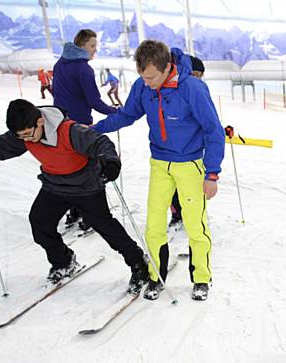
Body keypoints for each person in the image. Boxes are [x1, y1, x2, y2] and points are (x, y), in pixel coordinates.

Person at [0, 99, 149, 292]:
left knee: (106, 228)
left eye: (28, 135)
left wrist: (110, 161)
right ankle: (64, 261)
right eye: (21, 137)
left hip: (86, 187)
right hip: (54, 185)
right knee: (39, 223)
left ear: (40, 121)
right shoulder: (25, 133)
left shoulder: (69, 130)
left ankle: (138, 262)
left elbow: (101, 142)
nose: (26, 140)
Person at [93, 40, 224, 302]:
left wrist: (212, 174)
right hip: (159, 164)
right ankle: (156, 276)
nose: (147, 82)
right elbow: (127, 115)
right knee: (153, 225)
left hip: (189, 164)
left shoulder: (192, 89)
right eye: (143, 77)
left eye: (152, 77)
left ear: (167, 68)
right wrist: (93, 129)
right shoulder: (144, 86)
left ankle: (201, 278)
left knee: (195, 225)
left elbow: (213, 131)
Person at [53, 29, 118, 232]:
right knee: (90, 170)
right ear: (81, 46)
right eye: (91, 46)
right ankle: (90, 216)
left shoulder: (59, 64)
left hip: (61, 123)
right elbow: (93, 100)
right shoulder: (83, 69)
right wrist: (113, 112)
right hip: (80, 125)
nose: (94, 50)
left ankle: (74, 211)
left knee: (70, 167)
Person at [169, 55, 206, 229]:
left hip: (192, 150)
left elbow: (205, 121)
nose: (200, 78)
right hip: (174, 150)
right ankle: (177, 213)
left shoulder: (197, 89)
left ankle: (190, 215)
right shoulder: (178, 89)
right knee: (173, 185)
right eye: (199, 74)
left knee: (189, 186)